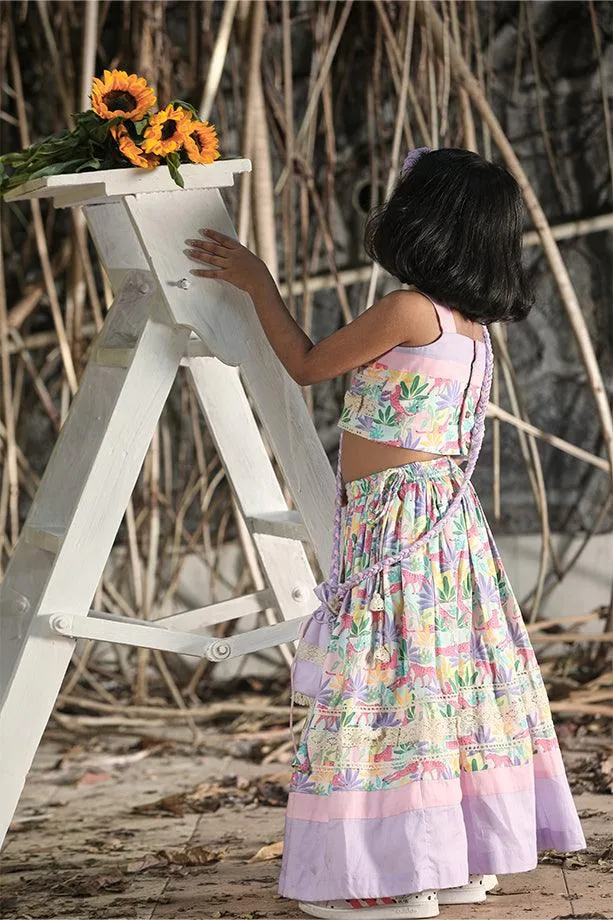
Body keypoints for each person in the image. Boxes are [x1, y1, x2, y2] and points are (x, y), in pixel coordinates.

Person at [184, 146, 586, 920]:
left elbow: (306, 365)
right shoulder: (472, 328)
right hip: (442, 524)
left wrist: (256, 281)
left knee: (383, 685)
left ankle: (388, 878)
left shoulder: (409, 309)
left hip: (394, 518)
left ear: (426, 223)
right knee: (438, 684)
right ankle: (455, 859)